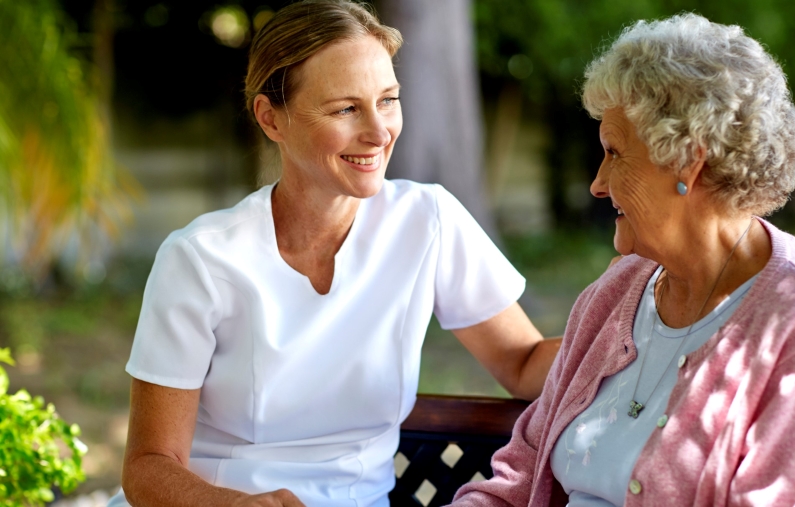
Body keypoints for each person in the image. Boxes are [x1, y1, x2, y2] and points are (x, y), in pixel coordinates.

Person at [109, 1, 561, 506]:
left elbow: (523, 363)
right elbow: (148, 467)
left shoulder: (428, 221)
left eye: (387, 100)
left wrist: (646, 329)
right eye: (346, 109)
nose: (378, 131)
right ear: (270, 118)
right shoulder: (200, 260)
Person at [450, 13, 795, 507]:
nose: (597, 183)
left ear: (687, 160)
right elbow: (517, 481)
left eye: (614, 152)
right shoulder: (615, 295)